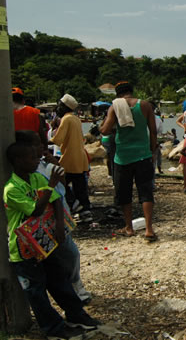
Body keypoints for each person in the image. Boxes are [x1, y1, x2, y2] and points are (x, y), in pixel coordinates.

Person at [4, 141, 100, 339]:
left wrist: (58, 223)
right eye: (31, 158)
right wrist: (50, 185)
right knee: (36, 291)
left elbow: (55, 198)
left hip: (43, 241)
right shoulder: (12, 188)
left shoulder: (36, 178)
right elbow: (36, 209)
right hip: (24, 248)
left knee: (58, 279)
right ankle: (54, 328)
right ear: (18, 161)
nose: (36, 161)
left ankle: (76, 314)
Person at [15, 130, 92, 305]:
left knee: (69, 254)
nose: (42, 146)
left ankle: (75, 284)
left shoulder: (42, 164)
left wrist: (57, 169)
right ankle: (72, 290)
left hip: (59, 218)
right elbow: (48, 195)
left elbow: (61, 189)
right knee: (63, 256)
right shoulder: (31, 171)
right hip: (47, 221)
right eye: (36, 144)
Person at [100, 81, 158, 242]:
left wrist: (104, 123)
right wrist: (152, 150)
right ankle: (148, 229)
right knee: (145, 192)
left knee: (124, 192)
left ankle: (129, 228)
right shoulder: (145, 105)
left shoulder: (115, 107)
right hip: (143, 154)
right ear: (132, 91)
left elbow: (105, 130)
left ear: (118, 95)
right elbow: (153, 131)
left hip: (123, 156)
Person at [49, 94, 91, 214]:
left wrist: (43, 141)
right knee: (80, 185)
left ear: (64, 107)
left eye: (59, 106)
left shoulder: (66, 119)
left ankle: (73, 203)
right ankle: (85, 208)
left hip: (69, 157)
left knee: (59, 182)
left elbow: (58, 139)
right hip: (79, 157)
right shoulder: (75, 118)